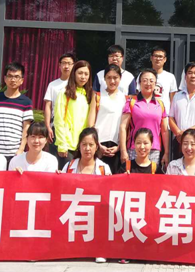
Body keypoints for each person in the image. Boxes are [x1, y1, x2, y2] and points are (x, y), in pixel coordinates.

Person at [61, 127, 112, 264]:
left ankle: (99, 250)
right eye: (84, 144)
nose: (87, 148)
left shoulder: (103, 168)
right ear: (79, 146)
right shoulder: (69, 166)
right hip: (73, 210)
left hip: (95, 212)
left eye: (91, 145)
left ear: (97, 147)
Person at [119, 69, 170, 169]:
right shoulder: (131, 102)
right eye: (145, 80)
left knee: (152, 177)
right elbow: (123, 127)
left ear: (155, 84)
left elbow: (164, 130)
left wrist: (166, 152)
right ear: (139, 83)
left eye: (151, 81)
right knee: (133, 176)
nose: (148, 83)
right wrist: (123, 151)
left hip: (154, 149)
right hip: (135, 148)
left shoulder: (160, 104)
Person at [0, 62, 34, 164]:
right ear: (5, 78)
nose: (13, 80)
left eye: (16, 77)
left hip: (15, 154)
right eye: (10, 76)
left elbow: (26, 128)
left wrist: (21, 149)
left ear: (22, 80)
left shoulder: (26, 102)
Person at [87, 64, 126, 174]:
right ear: (104, 79)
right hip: (99, 144)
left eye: (115, 78)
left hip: (117, 145)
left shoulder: (125, 99)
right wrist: (97, 145)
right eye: (109, 77)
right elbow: (90, 124)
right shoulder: (97, 97)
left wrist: (120, 147)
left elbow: (126, 126)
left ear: (120, 78)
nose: (112, 81)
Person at [54, 60, 93, 170]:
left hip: (83, 146)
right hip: (67, 145)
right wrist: (62, 144)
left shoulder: (88, 95)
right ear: (74, 74)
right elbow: (59, 119)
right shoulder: (64, 93)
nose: (83, 77)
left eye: (86, 74)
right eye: (80, 73)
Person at [43, 52, 74, 153]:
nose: (66, 66)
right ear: (59, 65)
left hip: (73, 127)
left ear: (73, 65)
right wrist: (48, 126)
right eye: (64, 63)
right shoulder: (52, 85)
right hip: (56, 126)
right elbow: (48, 106)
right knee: (55, 156)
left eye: (69, 63)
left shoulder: (77, 85)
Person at [138, 46, 177, 112]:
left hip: (164, 113)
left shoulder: (170, 77)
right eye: (155, 56)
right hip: (145, 112)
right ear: (151, 58)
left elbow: (173, 99)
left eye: (160, 56)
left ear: (165, 59)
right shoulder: (143, 75)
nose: (158, 59)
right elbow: (138, 94)